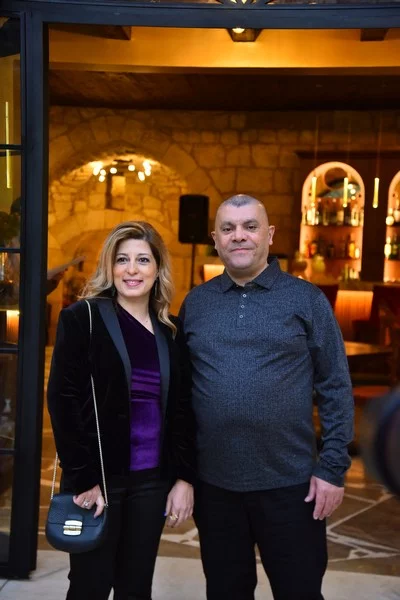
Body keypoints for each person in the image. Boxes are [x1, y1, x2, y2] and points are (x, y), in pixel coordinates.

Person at [179, 194, 354, 600]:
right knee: (226, 592)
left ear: (270, 235)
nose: (238, 236)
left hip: (292, 487)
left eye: (250, 226)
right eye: (228, 228)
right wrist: (182, 473)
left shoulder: (306, 299)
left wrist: (332, 468)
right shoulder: (197, 303)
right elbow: (181, 397)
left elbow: (335, 385)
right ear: (215, 239)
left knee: (299, 592)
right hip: (215, 488)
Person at [48, 221, 196, 600]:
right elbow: (63, 401)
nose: (132, 269)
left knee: (136, 588)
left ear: (158, 269)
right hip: (99, 482)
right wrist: (84, 480)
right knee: (90, 587)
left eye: (143, 260)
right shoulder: (83, 319)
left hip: (151, 484)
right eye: (122, 259)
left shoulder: (171, 331)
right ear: (110, 267)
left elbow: (182, 409)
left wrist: (184, 478)